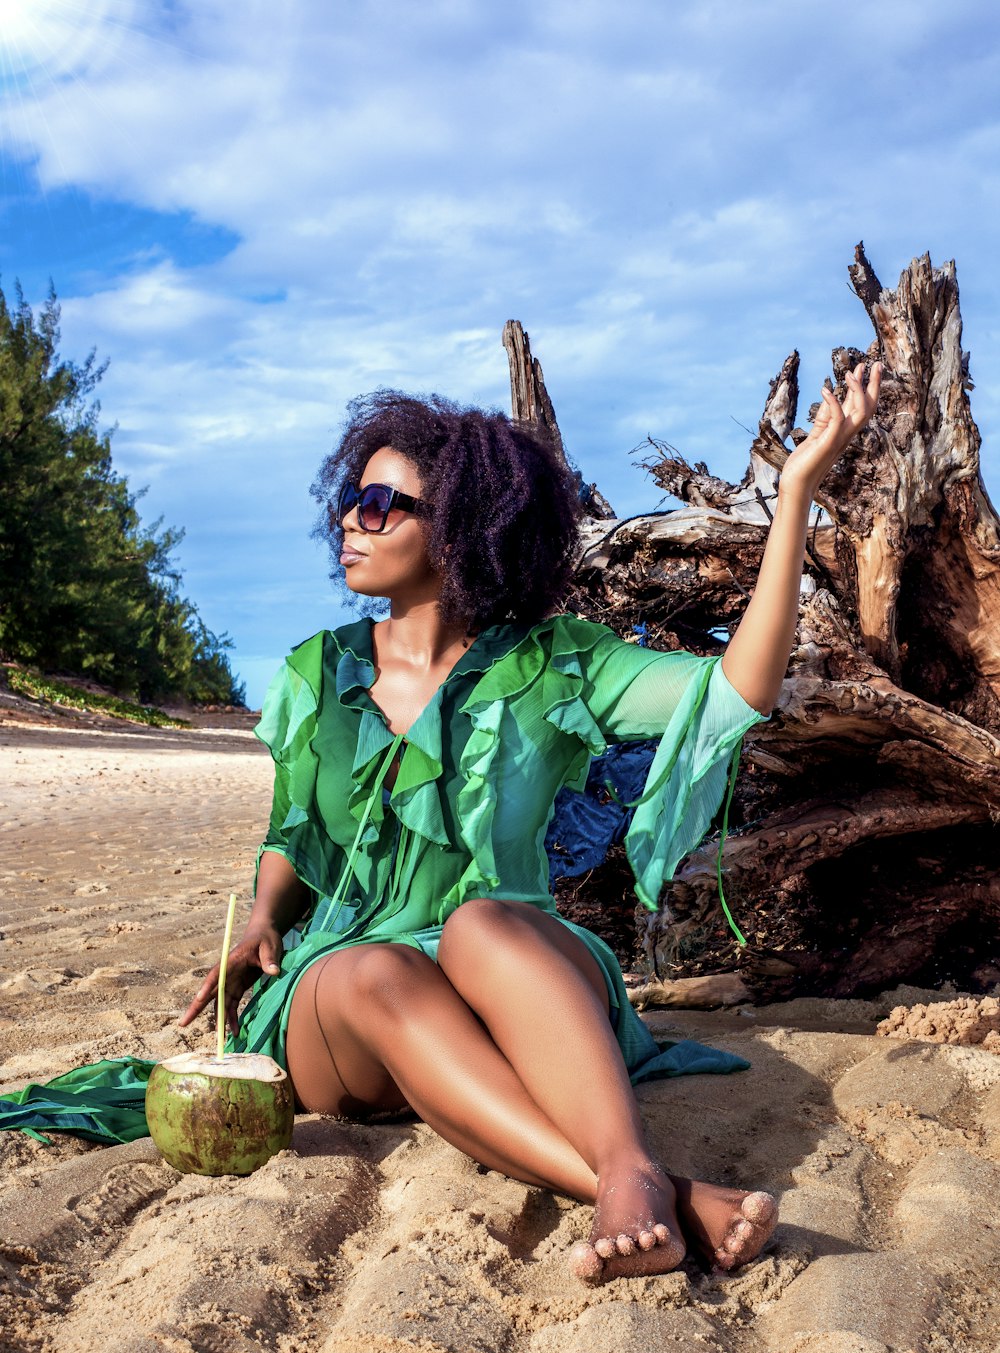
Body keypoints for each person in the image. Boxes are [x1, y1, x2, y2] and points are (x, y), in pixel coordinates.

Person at [176, 365, 880, 1285]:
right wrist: (267, 914)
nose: (353, 518)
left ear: (464, 529)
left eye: (385, 503)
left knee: (478, 920)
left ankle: (625, 1173)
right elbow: (293, 831)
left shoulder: (555, 664)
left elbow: (736, 690)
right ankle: (653, 1182)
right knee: (378, 967)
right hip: (345, 1002)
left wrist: (794, 499)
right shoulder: (315, 670)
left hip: (511, 977)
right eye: (354, 499)